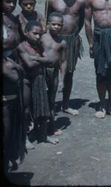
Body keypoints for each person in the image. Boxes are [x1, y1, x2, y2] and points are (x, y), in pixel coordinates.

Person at [45, 0, 86, 115]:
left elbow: (80, 21)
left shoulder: (80, 1)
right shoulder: (51, 1)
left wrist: (73, 36)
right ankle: (49, 105)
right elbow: (47, 22)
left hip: (71, 41)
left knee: (69, 73)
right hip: (55, 40)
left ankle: (66, 104)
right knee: (50, 72)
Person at [17, 20, 58, 146]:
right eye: (35, 33)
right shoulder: (21, 46)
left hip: (39, 79)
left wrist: (36, 58)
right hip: (26, 80)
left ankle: (43, 136)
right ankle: (25, 139)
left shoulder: (39, 45)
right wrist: (42, 60)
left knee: (43, 109)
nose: (38, 36)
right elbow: (29, 64)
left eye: (40, 34)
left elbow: (51, 60)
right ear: (26, 32)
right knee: (26, 110)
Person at [2, 22, 26, 172]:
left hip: (12, 101)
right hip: (6, 104)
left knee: (10, 136)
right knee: (6, 136)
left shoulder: (8, 59)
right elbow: (14, 76)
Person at [40, 12, 67, 137]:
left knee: (51, 101)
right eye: (54, 24)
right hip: (41, 72)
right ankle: (38, 127)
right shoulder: (42, 37)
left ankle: (51, 126)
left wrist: (62, 80)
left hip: (54, 72)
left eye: (59, 25)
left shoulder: (62, 42)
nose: (56, 27)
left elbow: (63, 61)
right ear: (48, 24)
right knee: (40, 100)